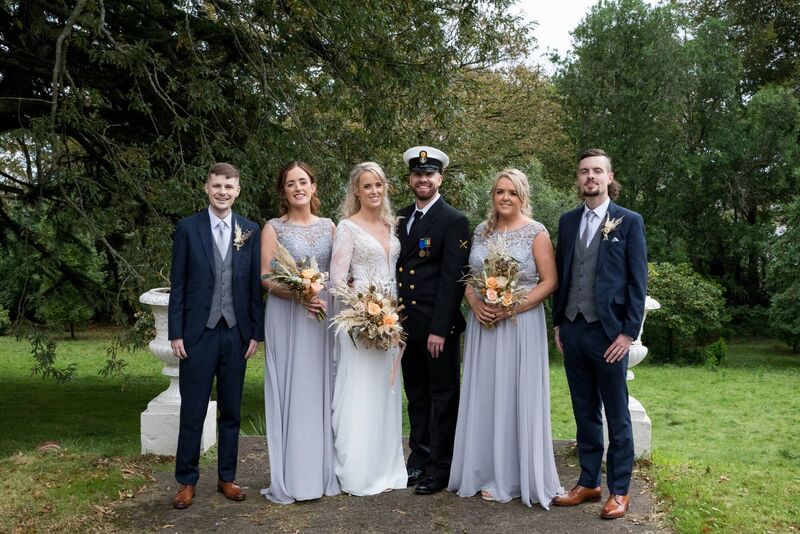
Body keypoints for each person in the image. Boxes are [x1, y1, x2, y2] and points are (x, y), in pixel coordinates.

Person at [448, 168, 563, 507]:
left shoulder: (536, 232)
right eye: (500, 191)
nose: (505, 197)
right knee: (485, 393)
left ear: (523, 196)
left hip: (519, 324)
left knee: (516, 393)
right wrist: (474, 303)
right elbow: (468, 277)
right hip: (483, 324)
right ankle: (481, 470)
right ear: (493, 196)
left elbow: (549, 281)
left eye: (512, 192)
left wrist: (511, 307)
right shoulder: (481, 232)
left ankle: (512, 477)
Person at [551, 149, 647, 519]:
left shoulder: (629, 222)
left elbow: (638, 282)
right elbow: (563, 275)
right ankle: (589, 482)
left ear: (609, 177)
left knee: (617, 415)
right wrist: (558, 324)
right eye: (584, 172)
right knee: (584, 411)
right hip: (573, 329)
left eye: (597, 171)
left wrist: (628, 334)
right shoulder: (567, 221)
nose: (590, 177)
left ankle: (619, 490)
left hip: (610, 335)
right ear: (578, 179)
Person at [167, 162, 263, 509]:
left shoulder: (249, 230)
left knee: (231, 411)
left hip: (236, 334)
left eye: (229, 186)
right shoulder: (188, 228)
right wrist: (176, 332)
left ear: (238, 191)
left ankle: (227, 477)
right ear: (207, 188)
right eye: (217, 186)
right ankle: (186, 481)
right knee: (193, 409)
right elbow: (179, 284)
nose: (223, 192)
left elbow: (253, 286)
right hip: (197, 334)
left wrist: (255, 333)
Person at [260, 161, 339, 503]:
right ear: (283, 191)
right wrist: (299, 295)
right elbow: (266, 276)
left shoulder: (330, 226)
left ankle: (321, 472)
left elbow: (339, 270)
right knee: (293, 386)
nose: (298, 188)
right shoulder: (273, 228)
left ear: (313, 187)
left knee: (322, 386)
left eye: (303, 181)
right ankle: (294, 475)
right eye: (290, 183)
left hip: (322, 313)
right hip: (288, 314)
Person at [329, 162, 407, 495]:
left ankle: (385, 469)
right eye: (367, 186)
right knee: (360, 392)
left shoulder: (391, 225)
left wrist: (389, 318)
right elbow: (336, 281)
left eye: (378, 184)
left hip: (390, 320)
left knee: (385, 392)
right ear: (356, 191)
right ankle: (358, 472)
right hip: (360, 323)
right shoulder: (347, 228)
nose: (374, 191)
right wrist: (364, 314)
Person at [396, 146, 471, 495]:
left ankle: (441, 468)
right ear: (410, 179)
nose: (422, 179)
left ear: (440, 179)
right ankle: (419, 458)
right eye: (417, 174)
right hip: (406, 325)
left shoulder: (454, 220)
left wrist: (439, 329)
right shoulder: (400, 217)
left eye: (429, 174)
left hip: (437, 327)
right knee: (417, 395)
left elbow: (453, 278)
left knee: (443, 396)